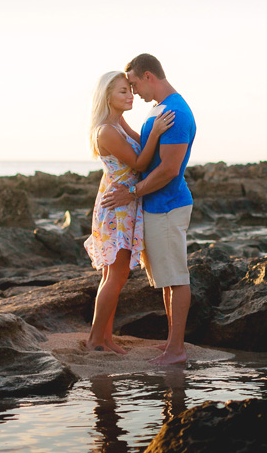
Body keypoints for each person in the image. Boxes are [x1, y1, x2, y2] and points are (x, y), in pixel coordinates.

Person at [102, 53, 197, 366]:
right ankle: (172, 343)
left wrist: (132, 192)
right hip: (156, 206)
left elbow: (169, 170)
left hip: (168, 205)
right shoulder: (159, 111)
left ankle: (177, 350)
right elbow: (140, 150)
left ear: (148, 77)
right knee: (166, 279)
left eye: (134, 84)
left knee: (177, 278)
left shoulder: (176, 114)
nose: (134, 92)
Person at [85, 71, 175, 354]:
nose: (130, 95)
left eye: (130, 90)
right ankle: (95, 341)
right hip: (117, 207)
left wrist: (157, 134)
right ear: (107, 96)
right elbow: (139, 162)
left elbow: (144, 148)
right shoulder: (106, 131)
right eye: (123, 91)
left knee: (114, 274)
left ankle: (105, 338)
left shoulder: (118, 123)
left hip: (124, 204)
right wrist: (157, 131)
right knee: (116, 274)